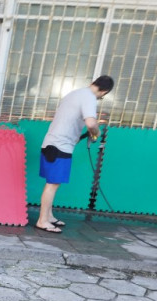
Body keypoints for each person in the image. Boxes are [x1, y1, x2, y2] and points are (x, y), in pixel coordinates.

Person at [36, 75, 114, 233]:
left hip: (52, 143)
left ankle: (48, 216)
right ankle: (42, 221)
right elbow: (91, 123)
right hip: (59, 146)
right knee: (52, 184)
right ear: (104, 92)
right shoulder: (89, 98)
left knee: (53, 183)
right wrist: (96, 133)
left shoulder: (75, 93)